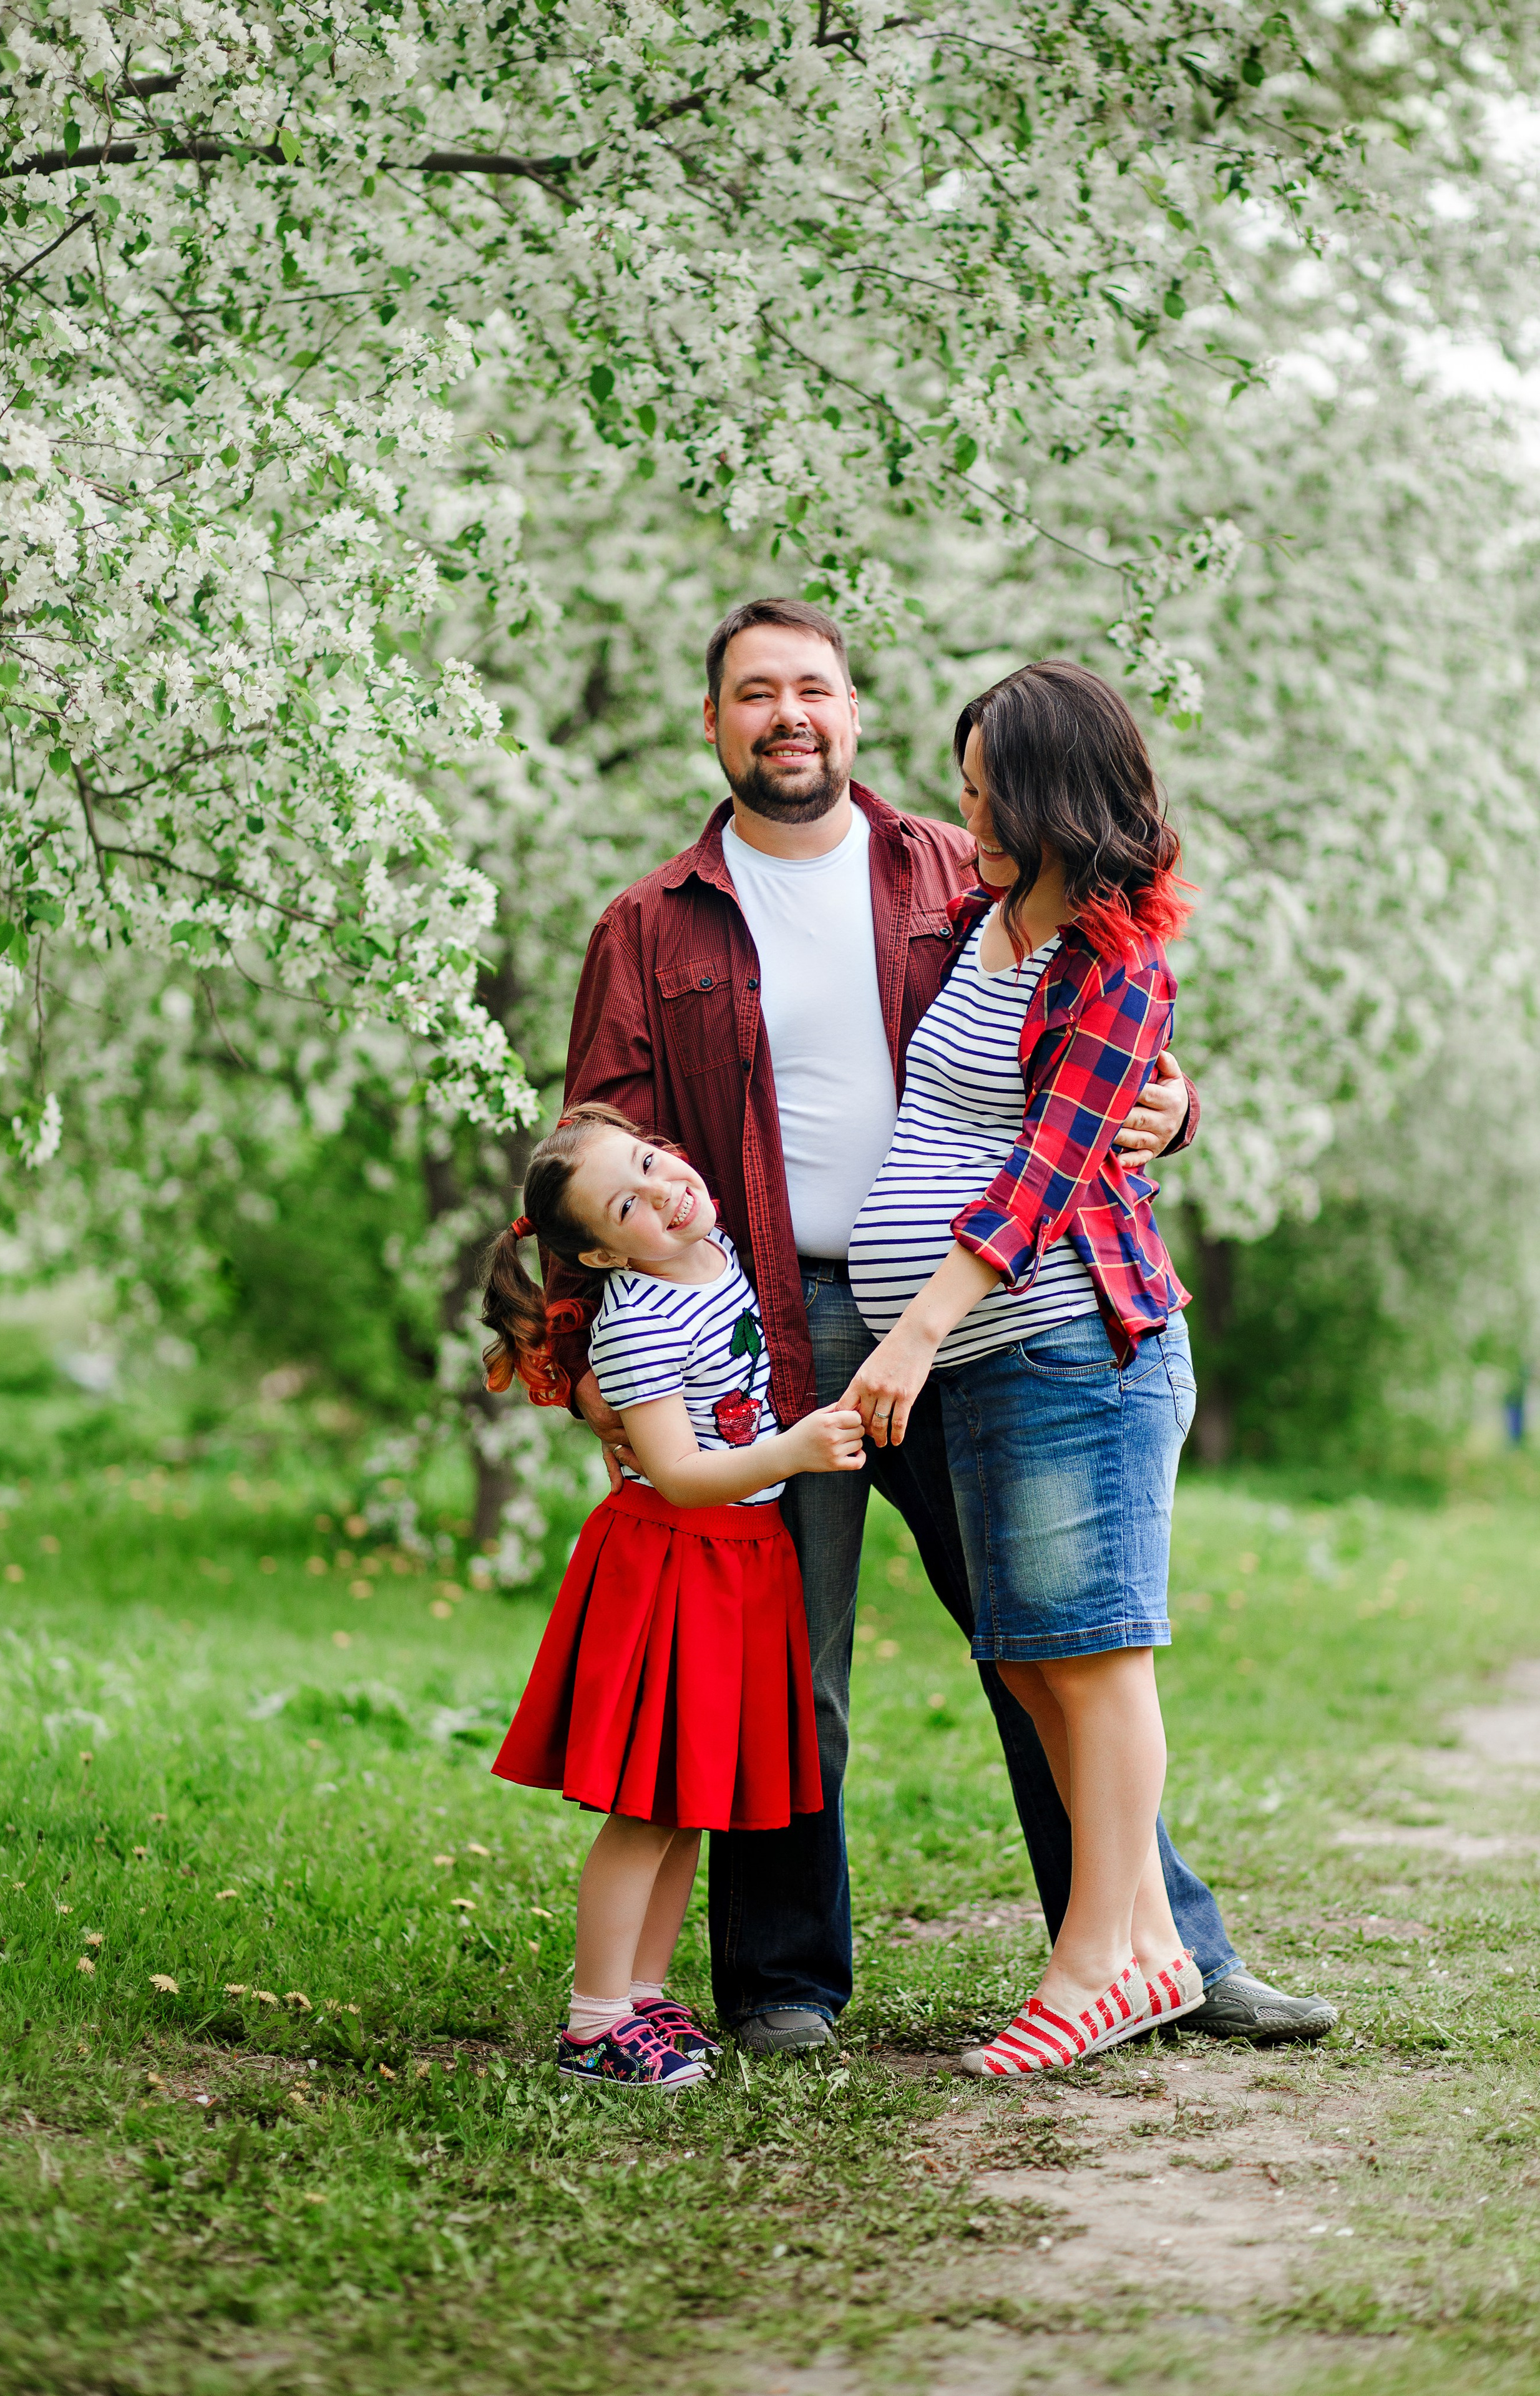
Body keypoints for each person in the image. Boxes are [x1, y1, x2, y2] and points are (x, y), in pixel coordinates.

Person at [542, 598, 1338, 2052]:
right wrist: (586, 1369)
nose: (789, 715)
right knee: (794, 1663)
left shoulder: (948, 868)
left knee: (1044, 1631)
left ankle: (1159, 1945)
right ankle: (785, 1984)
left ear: (853, 713)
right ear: (710, 725)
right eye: (754, 694)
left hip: (975, 1324)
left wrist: (1174, 1105)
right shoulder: (651, 927)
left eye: (814, 690)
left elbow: (1085, 1043)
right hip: (766, 1336)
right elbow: (597, 1144)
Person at [844, 660, 1206, 2071]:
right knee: (1039, 1667)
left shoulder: (1114, 969)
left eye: (990, 795)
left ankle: (1090, 1962)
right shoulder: (974, 924)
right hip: (993, 1367)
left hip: (1068, 1351)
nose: (969, 816)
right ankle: (1154, 1952)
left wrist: (910, 1335)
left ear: (1058, 796)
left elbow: (1040, 1176)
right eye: (964, 790)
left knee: (1095, 1660)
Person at [483, 1103, 865, 2090]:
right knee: (646, 1805)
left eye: (652, 1162)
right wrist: (792, 1452)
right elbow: (678, 1471)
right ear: (607, 1258)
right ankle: (592, 2022)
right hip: (678, 1559)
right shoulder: (642, 1320)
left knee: (690, 1797)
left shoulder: (714, 1244)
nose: (663, 1189)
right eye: (629, 1202)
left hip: (741, 1558)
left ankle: (643, 1997)